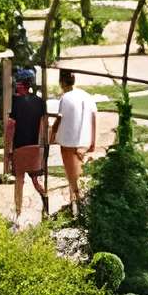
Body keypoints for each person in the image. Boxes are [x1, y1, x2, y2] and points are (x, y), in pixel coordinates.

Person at [44, 69, 97, 217]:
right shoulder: (86, 96)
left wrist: (51, 135)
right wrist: (93, 142)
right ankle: (75, 205)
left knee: (72, 176)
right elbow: (94, 118)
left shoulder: (65, 98)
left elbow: (59, 120)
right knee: (79, 174)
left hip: (69, 142)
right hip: (85, 141)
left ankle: (78, 207)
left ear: (62, 82)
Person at [6, 70, 47, 212]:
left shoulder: (15, 102)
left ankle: (18, 211)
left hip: (20, 147)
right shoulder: (40, 102)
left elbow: (11, 126)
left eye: (17, 82)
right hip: (35, 147)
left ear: (22, 84)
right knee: (36, 180)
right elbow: (42, 126)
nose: (16, 85)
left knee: (19, 180)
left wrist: (9, 149)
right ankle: (46, 201)